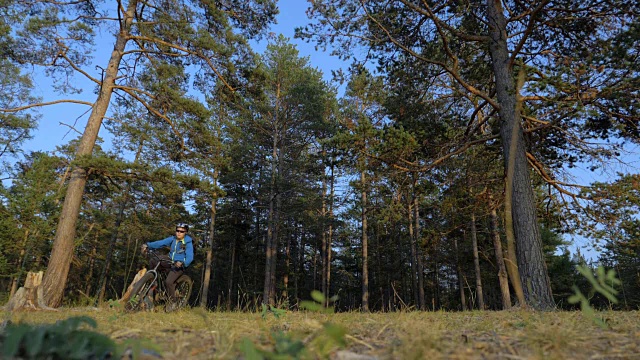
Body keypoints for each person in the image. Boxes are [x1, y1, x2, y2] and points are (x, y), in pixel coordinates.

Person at [141, 223, 194, 308]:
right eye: (177, 230)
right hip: (170, 260)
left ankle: (173, 302)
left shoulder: (188, 243)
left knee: (169, 282)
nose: (179, 233)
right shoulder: (173, 239)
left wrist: (182, 263)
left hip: (179, 265)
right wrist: (148, 245)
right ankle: (152, 280)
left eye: (181, 231)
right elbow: (160, 243)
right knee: (154, 260)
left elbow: (190, 257)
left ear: (185, 232)